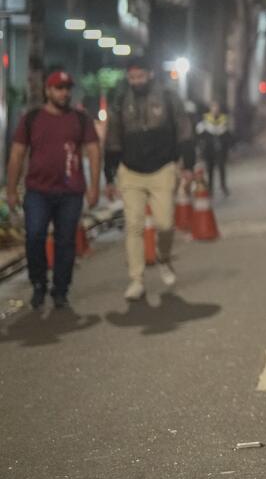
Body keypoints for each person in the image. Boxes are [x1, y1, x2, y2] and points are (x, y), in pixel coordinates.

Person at [5, 71, 100, 310]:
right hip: (38, 190)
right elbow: (17, 153)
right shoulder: (32, 118)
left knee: (66, 241)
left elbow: (93, 151)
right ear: (48, 91)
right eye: (58, 88)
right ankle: (38, 283)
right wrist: (11, 189)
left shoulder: (80, 119)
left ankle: (61, 289)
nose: (64, 93)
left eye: (67, 88)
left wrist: (94, 187)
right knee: (35, 235)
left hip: (71, 191)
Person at [103, 57, 196, 300]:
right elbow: (112, 137)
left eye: (140, 76)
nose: (136, 82)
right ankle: (137, 279)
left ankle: (163, 257)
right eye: (132, 78)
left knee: (165, 223)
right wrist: (109, 177)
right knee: (133, 225)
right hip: (130, 170)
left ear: (150, 74)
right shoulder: (121, 100)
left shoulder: (168, 96)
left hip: (163, 168)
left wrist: (188, 163)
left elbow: (184, 127)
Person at [196, 102, 232, 196]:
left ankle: (223, 186)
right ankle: (210, 188)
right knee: (210, 169)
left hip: (221, 149)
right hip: (209, 149)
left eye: (217, 107)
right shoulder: (205, 120)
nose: (215, 109)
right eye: (213, 107)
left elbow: (228, 135)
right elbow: (199, 133)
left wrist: (228, 146)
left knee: (221, 168)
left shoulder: (224, 119)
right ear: (210, 108)